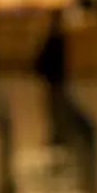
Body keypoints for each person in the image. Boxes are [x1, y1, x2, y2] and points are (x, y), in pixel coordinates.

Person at [33, 7, 68, 143]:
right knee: (53, 109)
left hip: (55, 80)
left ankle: (59, 135)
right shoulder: (57, 36)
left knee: (56, 109)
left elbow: (51, 58)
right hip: (54, 79)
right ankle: (57, 134)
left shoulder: (56, 37)